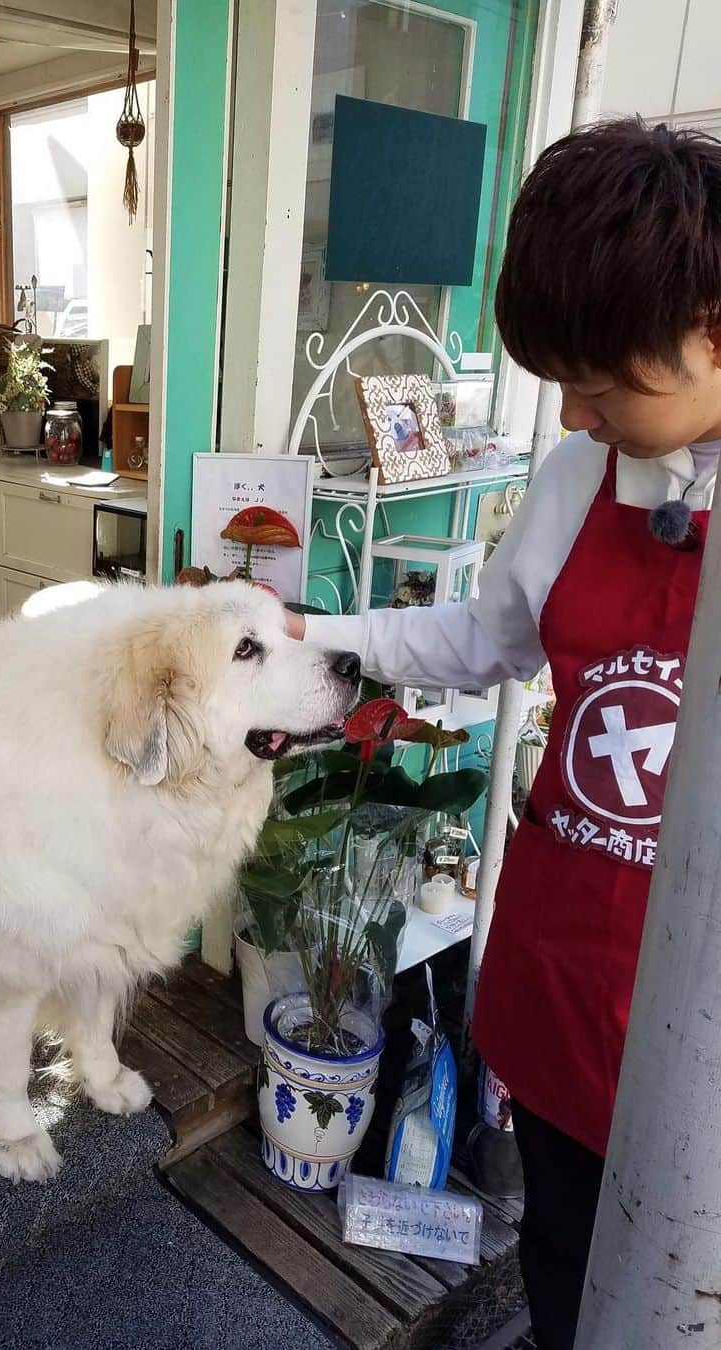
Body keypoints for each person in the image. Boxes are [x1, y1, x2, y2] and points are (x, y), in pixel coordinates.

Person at [288, 118, 717, 1350]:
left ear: (715, 325)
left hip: (698, 1017)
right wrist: (332, 636)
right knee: (565, 1252)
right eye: (562, 382)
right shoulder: (580, 480)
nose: (577, 415)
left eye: (607, 382)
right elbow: (485, 641)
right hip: (572, 961)